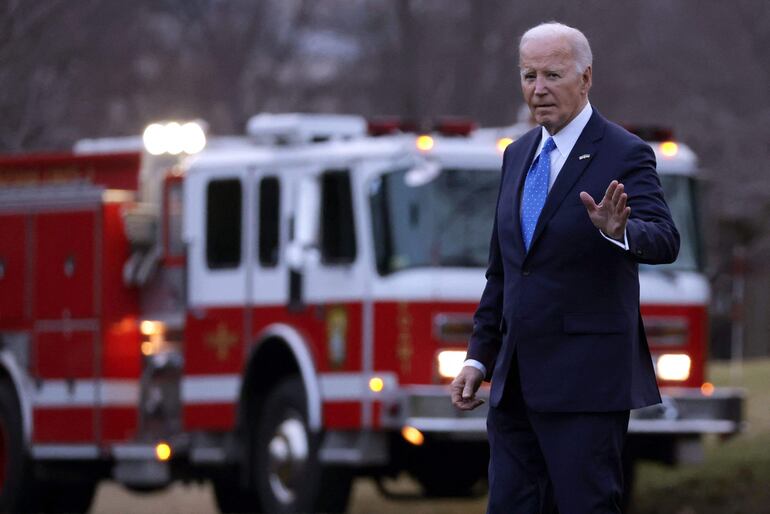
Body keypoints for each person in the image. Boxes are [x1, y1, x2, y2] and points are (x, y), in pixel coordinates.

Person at [451, 22, 680, 513]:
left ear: (586, 78)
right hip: (513, 387)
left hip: (585, 384)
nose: (538, 89)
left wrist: (616, 231)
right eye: (528, 75)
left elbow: (664, 239)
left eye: (552, 75)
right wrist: (478, 357)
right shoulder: (516, 156)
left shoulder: (625, 152)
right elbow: (506, 272)